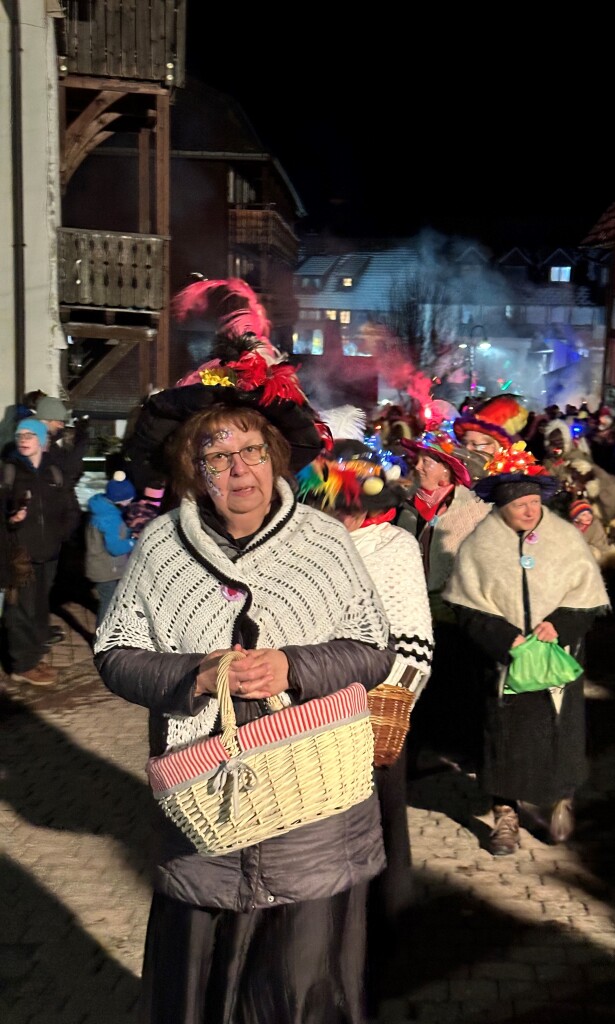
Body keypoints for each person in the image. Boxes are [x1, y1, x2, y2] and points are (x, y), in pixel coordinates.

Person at [93, 277, 395, 1024]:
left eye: (251, 452)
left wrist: (294, 666)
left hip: (313, 815)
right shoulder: (162, 547)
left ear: (276, 457)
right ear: (193, 468)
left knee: (299, 986)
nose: (239, 471)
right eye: (217, 456)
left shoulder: (325, 543)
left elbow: (374, 649)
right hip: (207, 816)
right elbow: (115, 654)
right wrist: (192, 674)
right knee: (199, 984)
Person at [295, 434, 434, 1014]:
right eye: (336, 502)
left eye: (353, 502)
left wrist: (382, 705)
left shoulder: (395, 546)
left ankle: (374, 961)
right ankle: (314, 954)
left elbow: (414, 640)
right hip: (304, 719)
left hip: (369, 722)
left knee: (375, 840)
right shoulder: (303, 545)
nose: (345, 513)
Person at [443, 445, 610, 854]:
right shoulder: (479, 546)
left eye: (535, 502)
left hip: (557, 657)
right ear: (503, 506)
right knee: (506, 739)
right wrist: (504, 638)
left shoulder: (565, 538)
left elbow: (586, 597)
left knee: (559, 733)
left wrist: (561, 624)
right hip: (506, 663)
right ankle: (506, 816)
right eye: (521, 503)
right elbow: (466, 607)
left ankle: (560, 801)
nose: (530, 510)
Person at [396, 429, 491, 771]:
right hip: (412, 611)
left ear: (447, 471)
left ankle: (465, 750)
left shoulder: (474, 511)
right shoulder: (405, 508)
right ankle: (415, 752)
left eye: (428, 461)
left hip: (455, 613)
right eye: (418, 459)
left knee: (459, 684)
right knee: (415, 684)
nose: (418, 466)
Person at [1, 418, 80, 685]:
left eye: (29, 435)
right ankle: (22, 665)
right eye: (20, 435)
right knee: (19, 609)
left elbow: (71, 508)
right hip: (18, 553)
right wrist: (12, 521)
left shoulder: (54, 472)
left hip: (48, 554)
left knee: (38, 607)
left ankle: (33, 657)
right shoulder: (8, 472)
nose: (23, 439)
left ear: (42, 441)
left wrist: (62, 535)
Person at [84, 470, 137, 626]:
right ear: (121, 500)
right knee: (108, 605)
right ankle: (102, 639)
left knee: (108, 601)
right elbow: (115, 548)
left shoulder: (102, 510)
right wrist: (132, 542)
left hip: (100, 565)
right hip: (106, 569)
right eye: (129, 499)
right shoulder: (110, 518)